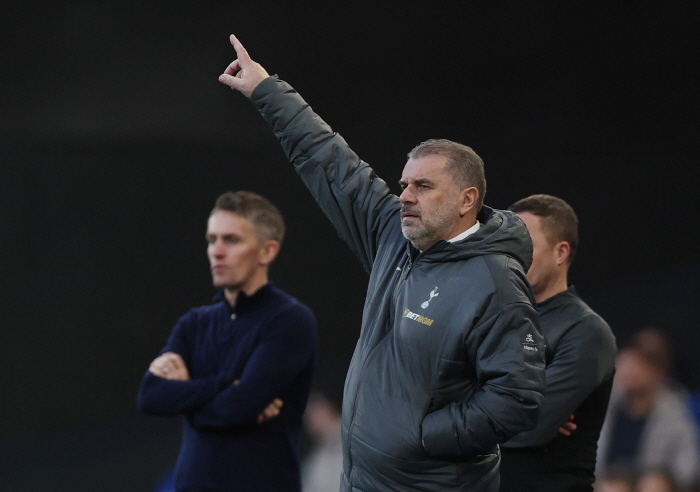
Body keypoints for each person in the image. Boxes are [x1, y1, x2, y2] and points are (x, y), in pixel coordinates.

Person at [218, 35, 546, 492]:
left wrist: (420, 437)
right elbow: (334, 166)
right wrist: (266, 90)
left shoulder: (494, 280)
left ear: (467, 200)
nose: (406, 196)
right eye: (405, 184)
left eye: (424, 186)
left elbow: (517, 399)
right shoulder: (397, 235)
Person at [137, 191, 317, 492]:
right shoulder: (194, 323)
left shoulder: (290, 321)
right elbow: (150, 396)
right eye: (212, 240)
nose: (216, 252)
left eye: (231, 240)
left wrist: (185, 394)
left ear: (267, 251)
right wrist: (226, 386)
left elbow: (236, 409)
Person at [498, 194, 617, 491]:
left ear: (560, 252)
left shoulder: (587, 331)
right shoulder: (494, 318)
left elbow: (529, 427)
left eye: (524, 244)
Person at [596, 328, 700, 490]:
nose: (633, 370)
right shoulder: (607, 402)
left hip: (648, 482)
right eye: (631, 362)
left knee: (653, 486)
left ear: (659, 371)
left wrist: (665, 479)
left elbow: (688, 468)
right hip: (606, 482)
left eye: (643, 364)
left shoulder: (674, 412)